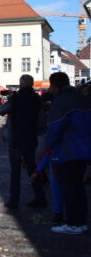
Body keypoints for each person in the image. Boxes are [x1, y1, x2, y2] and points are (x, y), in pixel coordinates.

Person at [44, 72, 91, 235]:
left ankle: (73, 223)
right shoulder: (81, 97)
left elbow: (55, 127)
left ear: (55, 86)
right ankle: (81, 221)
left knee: (69, 188)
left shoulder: (62, 101)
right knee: (78, 187)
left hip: (67, 150)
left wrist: (47, 146)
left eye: (51, 86)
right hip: (83, 149)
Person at [0, 75, 45, 210]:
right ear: (32, 84)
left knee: (15, 171)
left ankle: (14, 200)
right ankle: (40, 197)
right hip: (31, 138)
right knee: (32, 169)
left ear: (21, 84)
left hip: (16, 139)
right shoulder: (36, 98)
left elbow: (1, 110)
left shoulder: (17, 98)